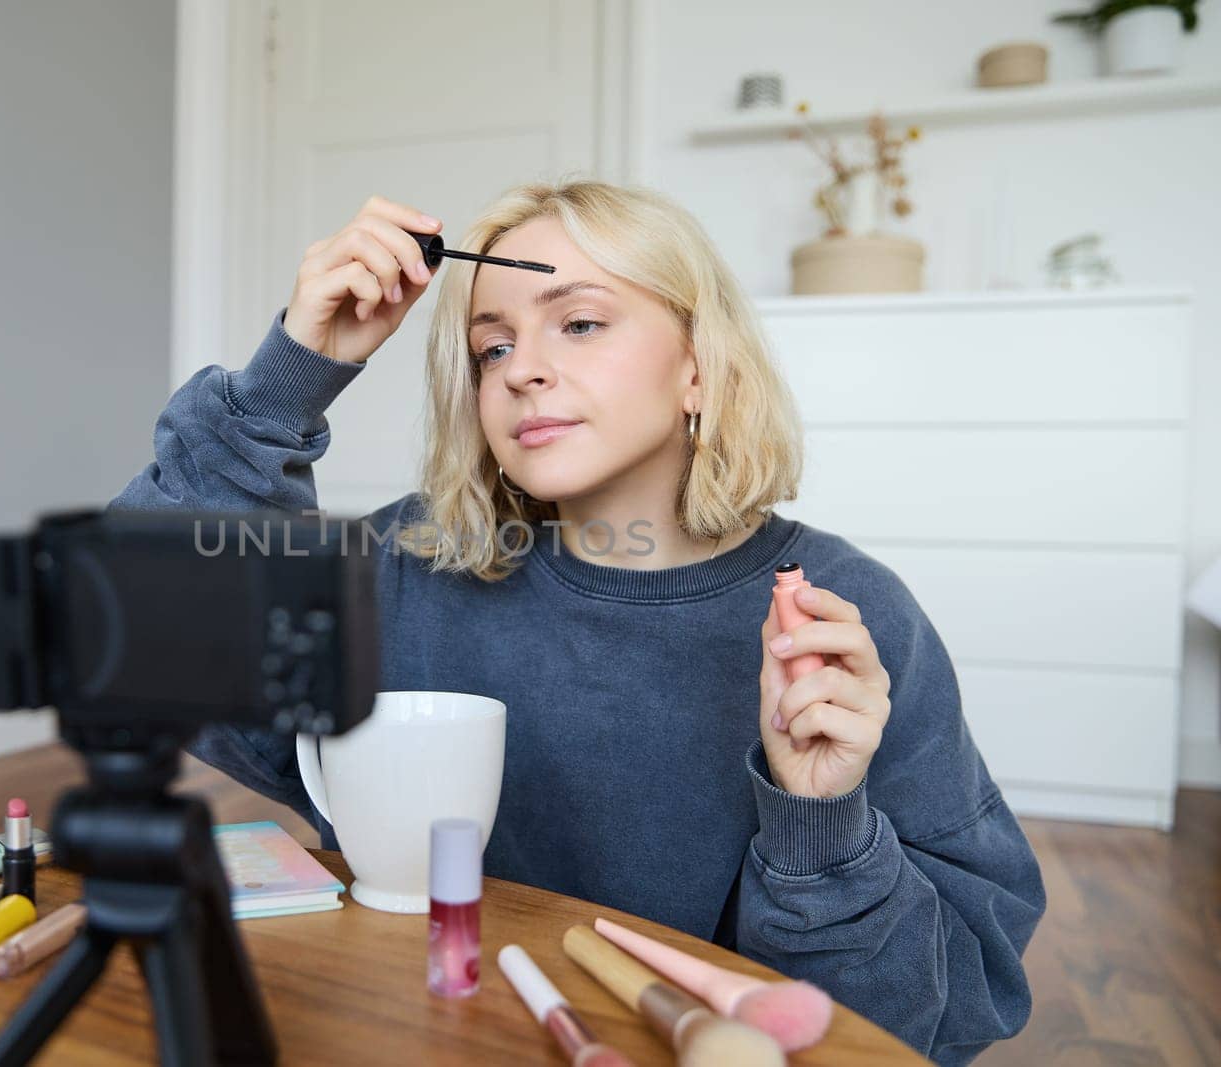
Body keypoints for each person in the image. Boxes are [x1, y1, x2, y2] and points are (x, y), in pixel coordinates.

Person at [109, 183, 1045, 1065]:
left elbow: (938, 1011)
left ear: (698, 368)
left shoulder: (845, 616)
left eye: (581, 322)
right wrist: (289, 378)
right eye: (492, 347)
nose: (525, 371)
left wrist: (822, 823)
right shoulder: (413, 561)